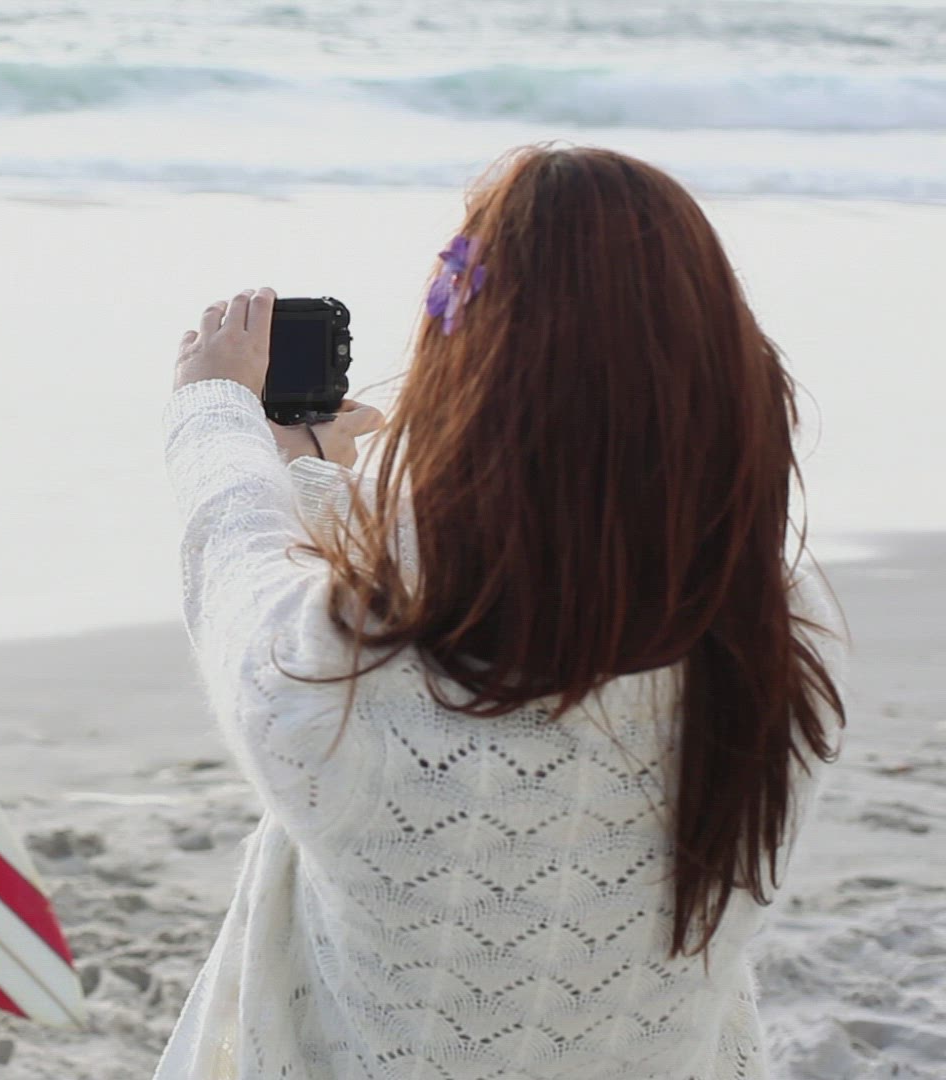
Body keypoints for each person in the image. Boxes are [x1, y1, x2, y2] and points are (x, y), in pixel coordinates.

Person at [159, 146, 847, 1079]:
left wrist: (214, 409)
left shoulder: (344, 674)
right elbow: (559, 566)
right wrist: (317, 479)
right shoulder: (779, 642)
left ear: (473, 369)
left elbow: (236, 561)